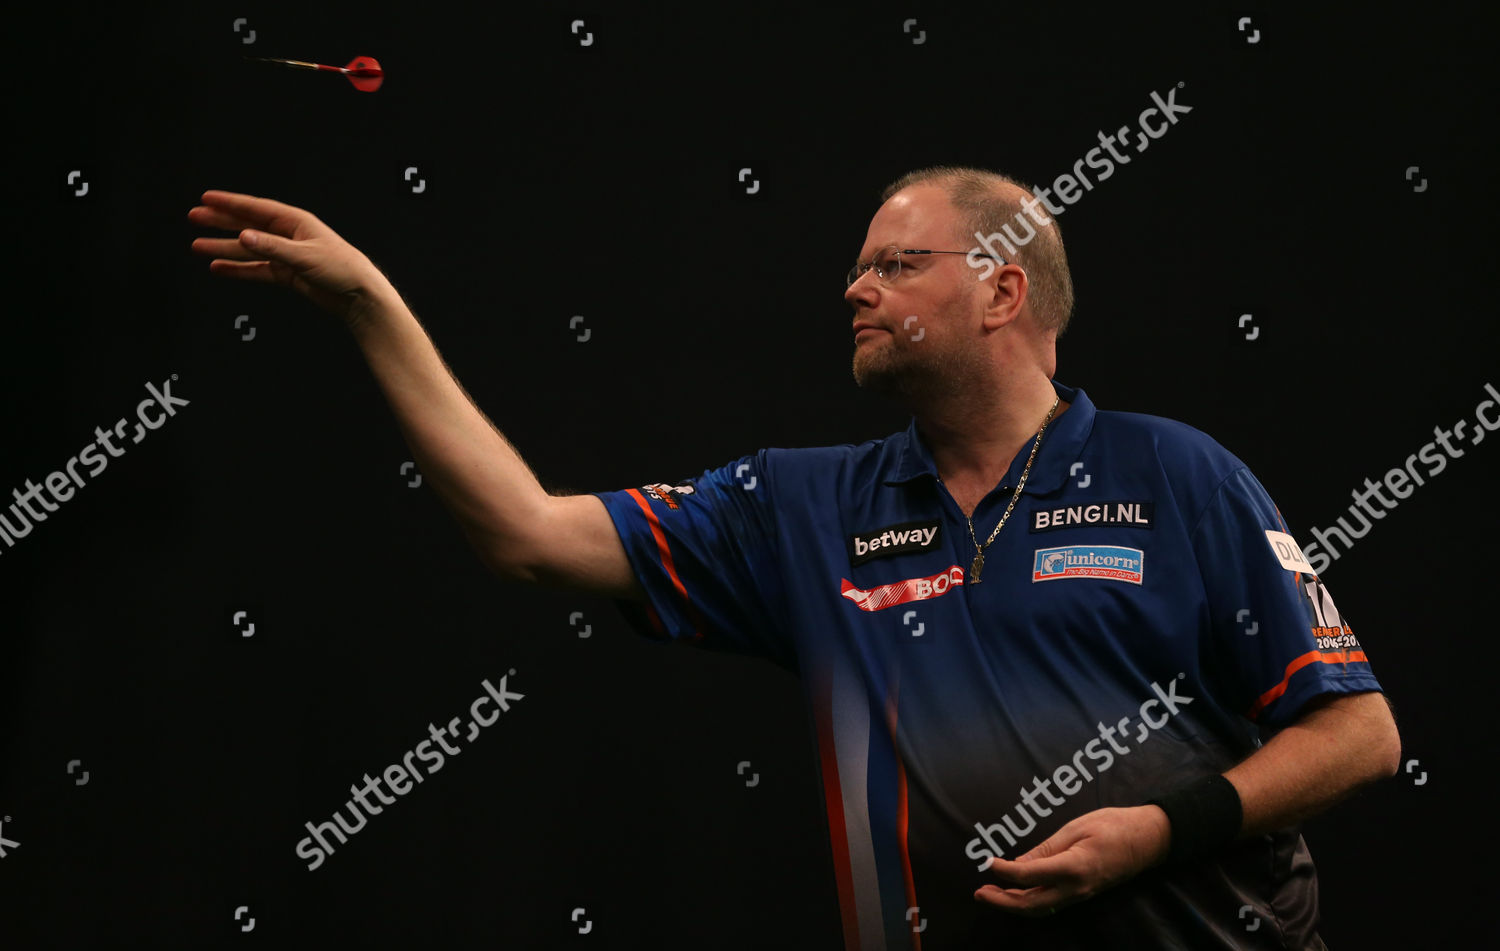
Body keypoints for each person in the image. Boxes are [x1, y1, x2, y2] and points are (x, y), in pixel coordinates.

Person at [188, 166, 1401, 950]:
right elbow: (529, 534)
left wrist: (1164, 829)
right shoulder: (805, 505)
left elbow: (1360, 735)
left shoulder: (1177, 475)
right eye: (861, 265)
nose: (853, 287)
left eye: (894, 264)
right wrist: (369, 306)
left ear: (1001, 290)